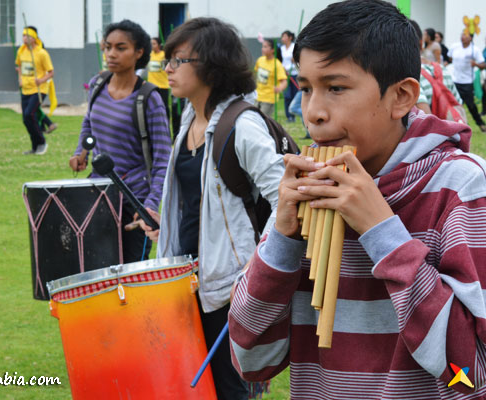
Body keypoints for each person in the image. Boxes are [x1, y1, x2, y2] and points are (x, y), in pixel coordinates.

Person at [228, 1, 486, 399]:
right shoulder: (307, 190)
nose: (313, 113)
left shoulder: (461, 187)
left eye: (335, 87)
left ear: (402, 96)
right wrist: (282, 239)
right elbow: (252, 361)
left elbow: (469, 375)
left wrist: (384, 234)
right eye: (306, 88)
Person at [135, 17, 285, 400]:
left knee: (230, 388)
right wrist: (164, 223)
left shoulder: (242, 125)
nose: (167, 69)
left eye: (178, 60)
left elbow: (287, 198)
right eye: (168, 60)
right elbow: (198, 200)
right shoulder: (190, 119)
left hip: (228, 282)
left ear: (212, 65)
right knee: (194, 384)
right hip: (185, 277)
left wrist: (258, 265)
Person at [69, 20, 171, 263]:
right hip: (98, 194)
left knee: (130, 275)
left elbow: (163, 158)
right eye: (108, 47)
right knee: (96, 268)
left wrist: (150, 204)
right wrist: (82, 151)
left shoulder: (149, 98)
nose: (111, 54)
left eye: (121, 48)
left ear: (139, 53)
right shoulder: (97, 84)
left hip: (135, 202)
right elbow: (89, 123)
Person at [16, 27, 56, 155]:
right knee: (26, 119)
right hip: (25, 88)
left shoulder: (42, 53)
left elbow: (51, 72)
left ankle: (42, 142)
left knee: (30, 114)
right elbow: (19, 67)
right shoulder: (21, 51)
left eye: (27, 36)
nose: (24, 38)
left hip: (39, 89)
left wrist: (41, 80)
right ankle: (34, 146)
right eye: (23, 36)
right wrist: (20, 78)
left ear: (34, 38)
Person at [410, 21, 463, 116]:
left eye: (426, 34)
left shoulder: (413, 74)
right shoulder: (444, 71)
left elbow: (438, 60)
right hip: (432, 69)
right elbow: (458, 102)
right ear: (421, 41)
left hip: (432, 71)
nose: (425, 36)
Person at [449, 31, 486, 132]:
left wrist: (476, 64)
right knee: (455, 105)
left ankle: (481, 124)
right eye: (462, 34)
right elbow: (450, 58)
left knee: (470, 105)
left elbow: (483, 65)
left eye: (465, 35)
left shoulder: (475, 50)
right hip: (455, 81)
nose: (463, 37)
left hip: (467, 82)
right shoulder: (455, 47)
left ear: (471, 38)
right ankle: (459, 125)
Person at [254, 38, 288, 117]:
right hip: (257, 96)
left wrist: (279, 88)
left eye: (265, 47)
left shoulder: (277, 64)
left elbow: (284, 81)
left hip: (269, 98)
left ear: (272, 50)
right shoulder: (260, 60)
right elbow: (256, 75)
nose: (263, 49)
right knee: (254, 118)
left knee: (263, 119)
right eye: (262, 46)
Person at [147, 37, 170, 120]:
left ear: (159, 45)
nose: (152, 45)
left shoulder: (164, 55)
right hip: (151, 85)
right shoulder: (150, 54)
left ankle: (166, 121)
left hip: (162, 85)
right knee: (152, 105)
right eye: (151, 44)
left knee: (164, 106)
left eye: (154, 44)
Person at [280, 30, 299, 122]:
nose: (282, 39)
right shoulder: (281, 48)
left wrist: (295, 58)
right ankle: (289, 117)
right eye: (282, 37)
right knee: (287, 96)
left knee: (294, 95)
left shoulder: (294, 47)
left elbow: (299, 58)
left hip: (294, 74)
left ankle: (293, 115)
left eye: (284, 36)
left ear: (290, 38)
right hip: (285, 74)